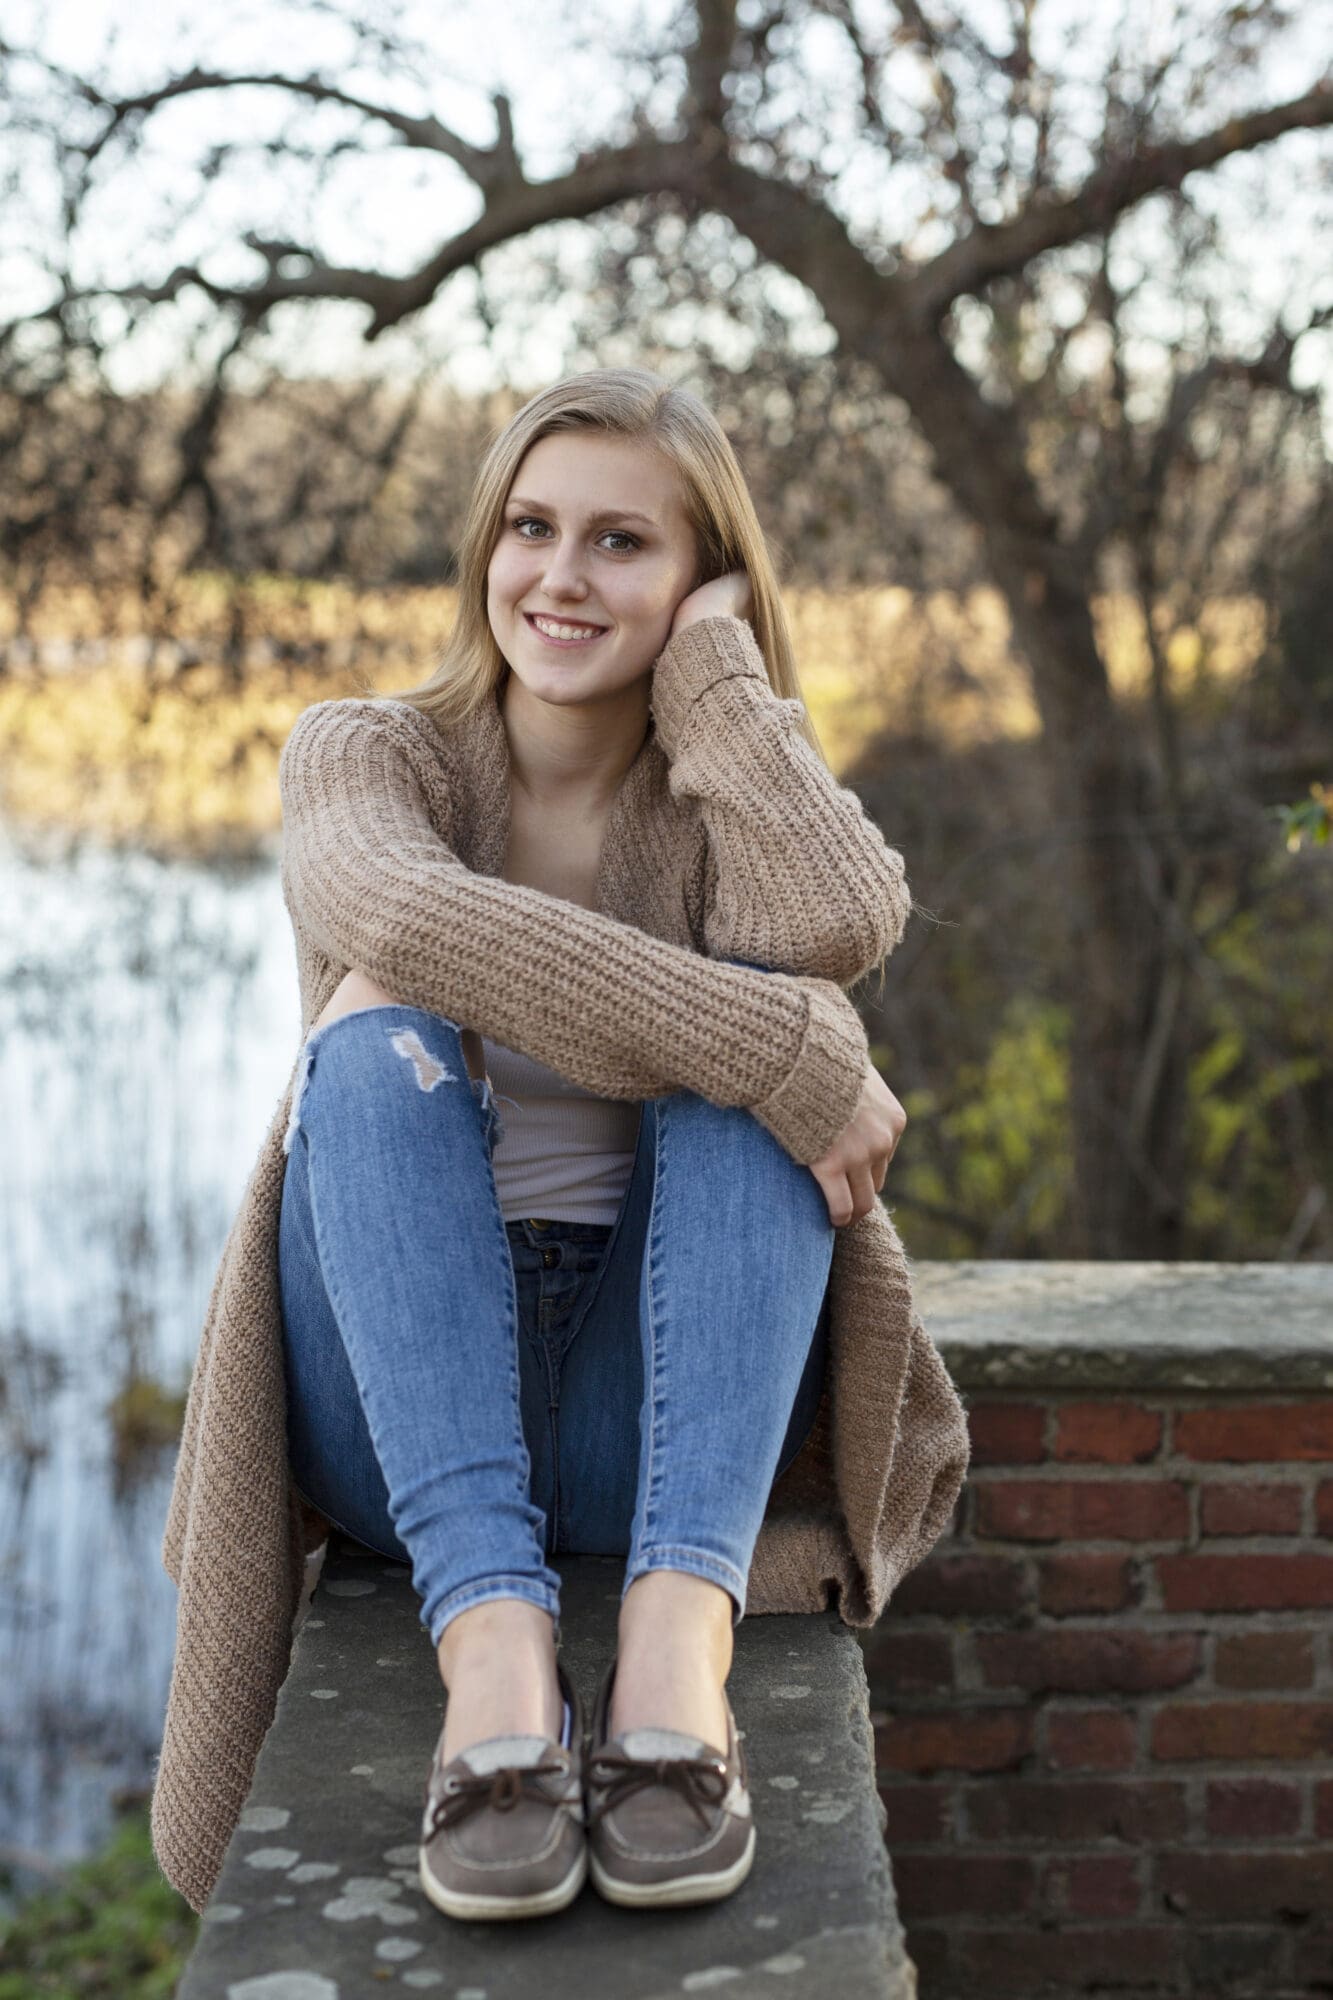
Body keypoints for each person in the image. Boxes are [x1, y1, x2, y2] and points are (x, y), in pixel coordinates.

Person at [150, 365, 971, 1925]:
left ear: (700, 577)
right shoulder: (370, 755)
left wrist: (722, 685)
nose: (560, 576)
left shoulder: (708, 802)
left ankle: (677, 1653)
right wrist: (772, 1046)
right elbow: (397, 916)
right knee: (385, 1028)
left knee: (761, 1023)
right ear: (483, 549)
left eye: (622, 544)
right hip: (394, 1421)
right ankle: (495, 1662)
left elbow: (842, 922)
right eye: (531, 527)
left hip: (661, 1425)